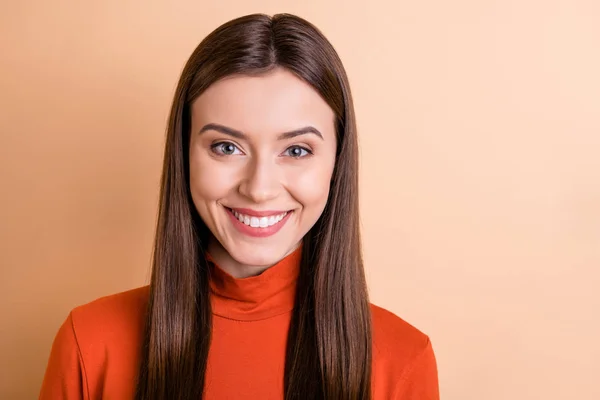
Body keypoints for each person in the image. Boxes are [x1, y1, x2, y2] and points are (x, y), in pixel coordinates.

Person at [39, 13, 439, 399]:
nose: (259, 188)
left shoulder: (402, 360)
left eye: (297, 150)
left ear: (337, 163)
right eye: (226, 147)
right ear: (184, 155)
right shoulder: (90, 344)